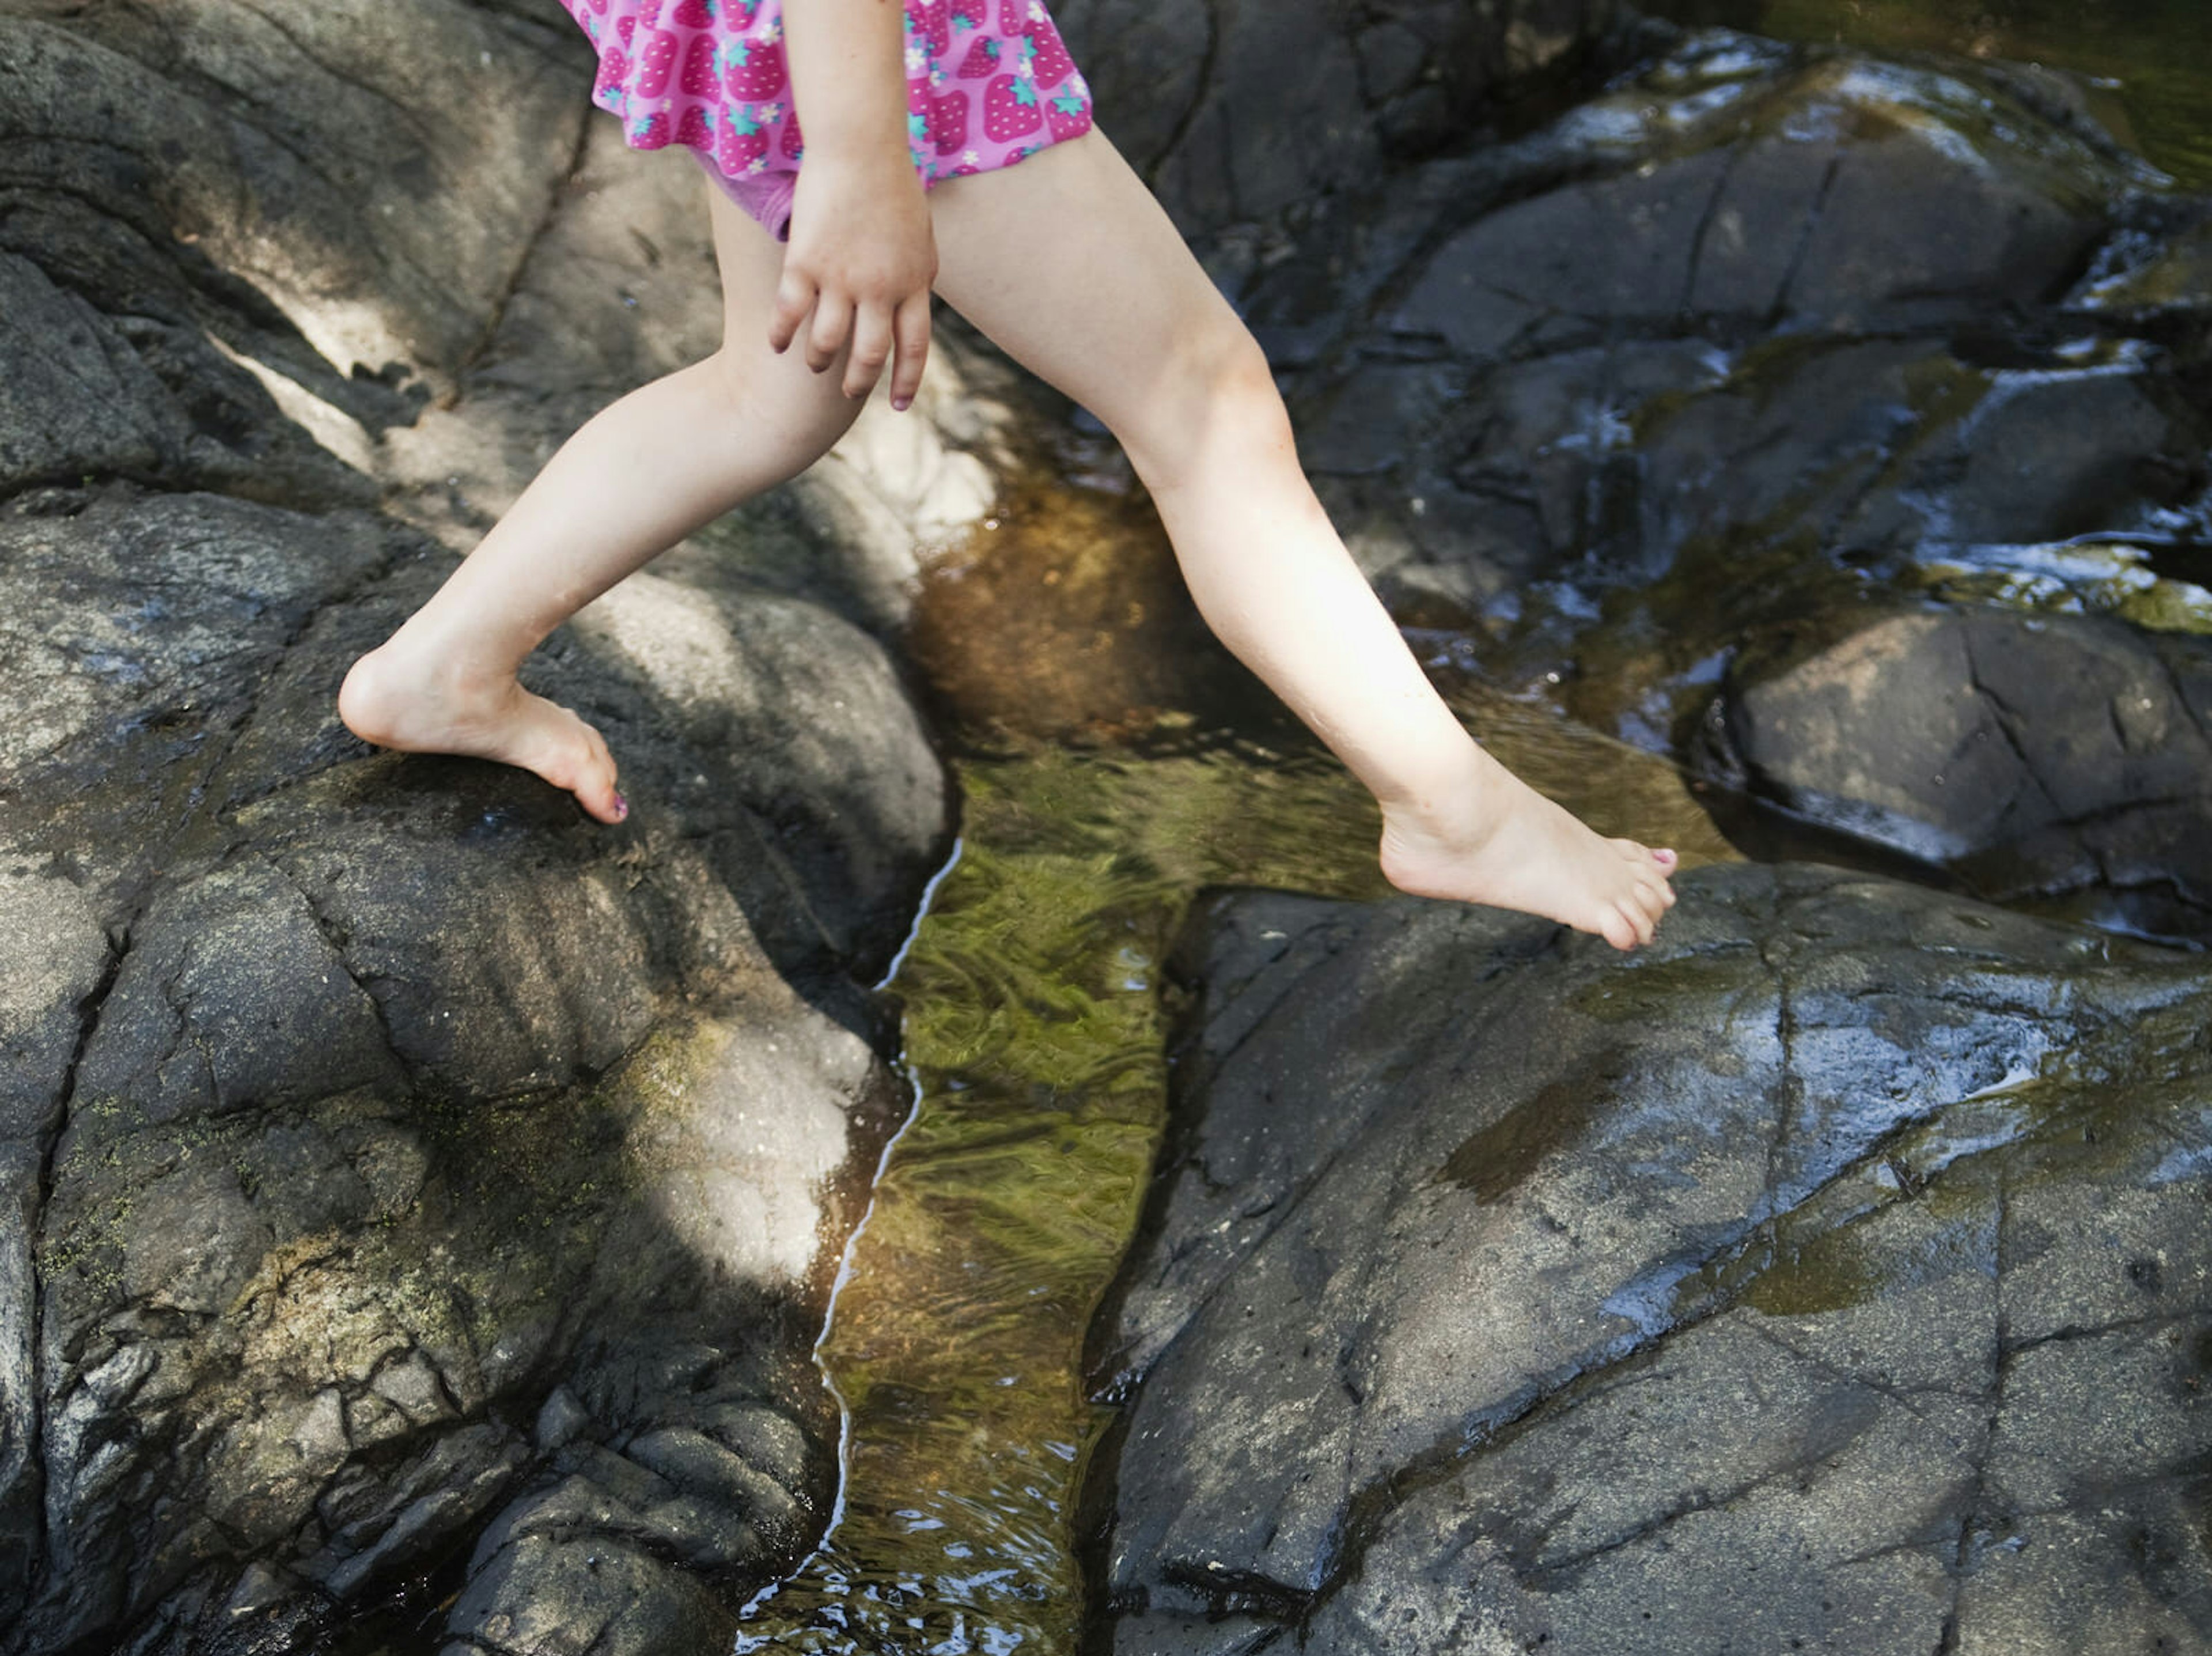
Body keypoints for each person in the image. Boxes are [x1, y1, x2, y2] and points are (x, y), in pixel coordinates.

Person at [340, 0, 1677, 951]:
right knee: (1202, 403)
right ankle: (1452, 810)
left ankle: (444, 665)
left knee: (773, 389)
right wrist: (864, 162)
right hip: (862, 36)